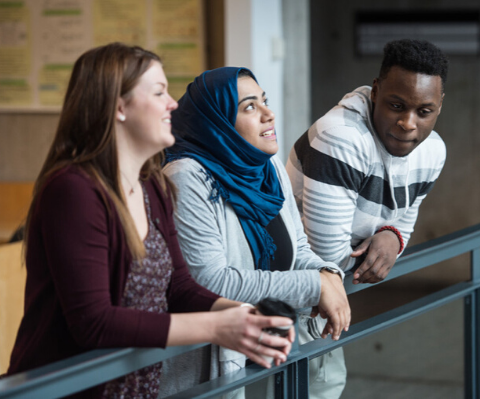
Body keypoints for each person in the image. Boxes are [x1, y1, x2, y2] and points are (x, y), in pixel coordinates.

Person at [6, 43, 295, 398]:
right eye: (159, 92)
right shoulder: (73, 190)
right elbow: (93, 323)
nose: (173, 104)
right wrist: (218, 326)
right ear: (120, 107)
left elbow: (179, 286)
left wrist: (245, 315)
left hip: (137, 385)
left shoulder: (152, 184)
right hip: (70, 388)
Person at [158, 67, 351, 398]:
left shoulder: (266, 167)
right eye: (249, 107)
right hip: (208, 364)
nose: (268, 113)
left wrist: (326, 274)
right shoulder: (186, 177)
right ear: (216, 122)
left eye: (265, 101)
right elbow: (210, 282)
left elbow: (297, 247)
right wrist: (313, 285)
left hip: (265, 345)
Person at [286, 39, 448, 396]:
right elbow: (327, 257)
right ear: (375, 91)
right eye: (396, 105)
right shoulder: (340, 137)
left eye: (424, 111)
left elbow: (403, 222)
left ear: (439, 107)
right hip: (284, 299)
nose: (408, 123)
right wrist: (381, 243)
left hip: (324, 299)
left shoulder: (433, 150)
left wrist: (392, 235)